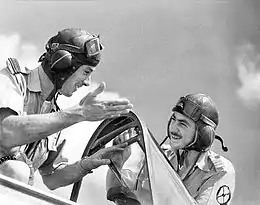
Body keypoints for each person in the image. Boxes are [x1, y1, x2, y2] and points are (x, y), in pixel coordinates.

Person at [0, 28, 133, 190]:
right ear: (63, 63)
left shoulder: (55, 115)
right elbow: (6, 131)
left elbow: (51, 178)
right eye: (86, 72)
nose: (87, 82)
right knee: (16, 170)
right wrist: (79, 114)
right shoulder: (12, 80)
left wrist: (86, 164)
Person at [106, 93, 235, 205]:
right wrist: (118, 163)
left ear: (204, 134)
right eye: (173, 119)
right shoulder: (161, 155)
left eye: (183, 124)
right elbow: (129, 194)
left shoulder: (218, 171)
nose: (173, 128)